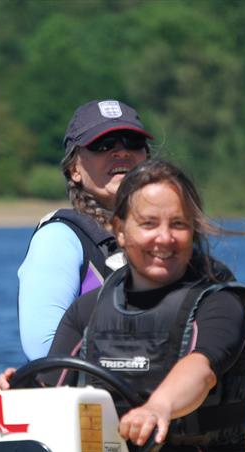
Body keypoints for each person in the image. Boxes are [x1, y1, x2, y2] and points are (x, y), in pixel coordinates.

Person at [0, 159, 245, 452]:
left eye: (178, 224)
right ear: (120, 230)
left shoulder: (219, 304)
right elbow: (49, 391)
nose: (164, 238)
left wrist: (159, 407)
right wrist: (17, 393)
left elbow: (202, 369)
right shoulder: (88, 312)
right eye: (148, 224)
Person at [17, 99, 153, 361]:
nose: (121, 152)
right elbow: (44, 350)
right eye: (103, 145)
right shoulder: (59, 239)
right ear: (74, 169)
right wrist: (147, 362)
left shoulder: (168, 237)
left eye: (132, 142)